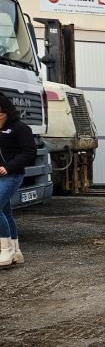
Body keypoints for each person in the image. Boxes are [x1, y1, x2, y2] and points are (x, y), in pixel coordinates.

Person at [0, 91, 36, 267]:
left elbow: (30, 152)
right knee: (5, 212)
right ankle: (16, 251)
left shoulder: (20, 128)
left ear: (6, 112)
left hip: (12, 175)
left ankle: (4, 250)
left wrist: (7, 167)